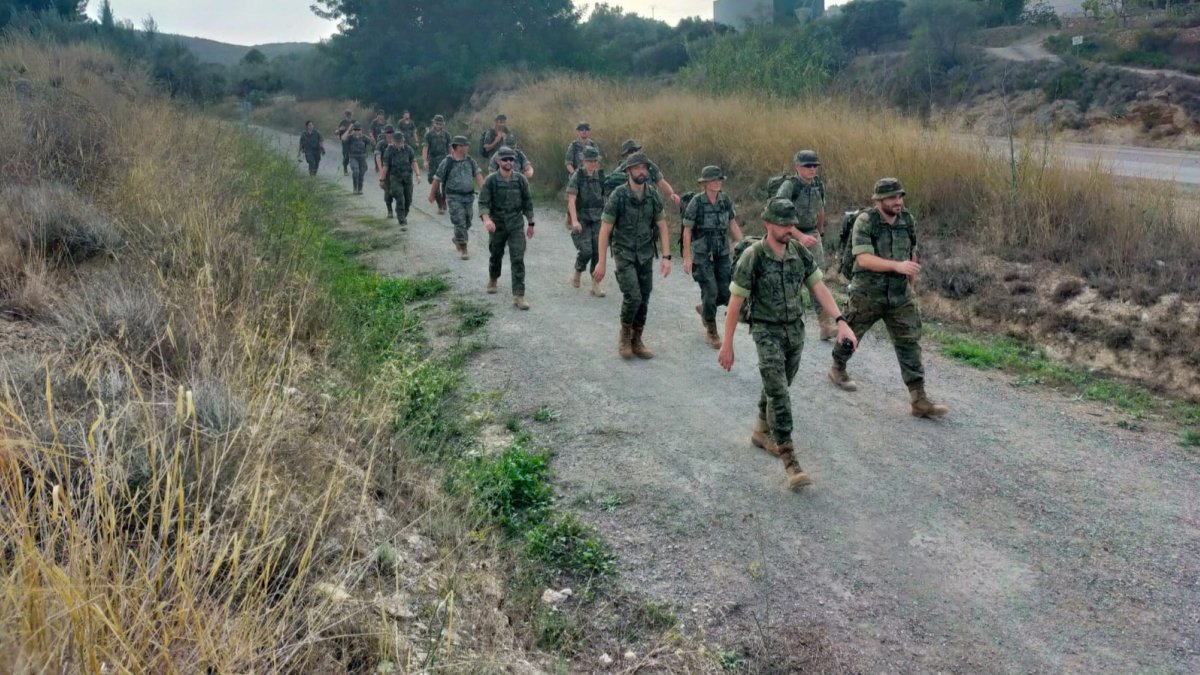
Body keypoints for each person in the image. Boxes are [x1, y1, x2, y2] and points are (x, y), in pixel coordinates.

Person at [718, 199, 857, 489]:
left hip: (795, 331)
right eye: (782, 224)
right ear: (767, 224)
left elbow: (818, 287)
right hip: (766, 332)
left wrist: (841, 321)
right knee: (779, 393)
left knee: (778, 384)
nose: (787, 229)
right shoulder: (753, 257)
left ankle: (760, 429)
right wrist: (727, 344)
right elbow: (735, 303)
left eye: (791, 224)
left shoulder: (798, 252)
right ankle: (790, 461)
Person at [828, 178, 949, 418]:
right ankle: (837, 367)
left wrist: (911, 285)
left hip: (899, 295)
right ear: (879, 200)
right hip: (867, 293)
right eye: (892, 198)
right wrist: (897, 266)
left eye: (900, 196)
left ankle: (919, 398)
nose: (898, 202)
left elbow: (912, 253)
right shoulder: (866, 221)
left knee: (909, 341)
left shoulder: (907, 220)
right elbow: (863, 259)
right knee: (852, 334)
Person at [592, 152, 672, 359]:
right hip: (624, 252)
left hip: (645, 253)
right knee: (633, 296)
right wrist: (601, 262)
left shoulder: (652, 194)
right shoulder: (618, 195)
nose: (641, 172)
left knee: (644, 296)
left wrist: (666, 257)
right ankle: (625, 336)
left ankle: (637, 339)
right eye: (637, 168)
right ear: (628, 171)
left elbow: (663, 226)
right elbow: (605, 230)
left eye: (644, 168)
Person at [774, 149, 835, 341]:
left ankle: (825, 325)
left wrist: (819, 231)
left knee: (817, 279)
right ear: (797, 167)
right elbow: (778, 215)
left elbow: (820, 208)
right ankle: (782, 323)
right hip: (790, 235)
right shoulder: (789, 186)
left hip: (812, 234)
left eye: (815, 165)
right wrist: (799, 236)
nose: (812, 169)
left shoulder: (818, 184)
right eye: (808, 165)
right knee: (788, 279)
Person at [683, 165, 744, 349]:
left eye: (719, 180)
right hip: (702, 254)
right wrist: (687, 257)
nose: (718, 183)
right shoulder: (697, 202)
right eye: (714, 180)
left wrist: (743, 245)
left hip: (722, 252)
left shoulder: (725, 200)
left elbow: (732, 223)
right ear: (705, 183)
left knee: (726, 292)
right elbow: (687, 230)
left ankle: (705, 308)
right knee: (710, 290)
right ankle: (711, 331)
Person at [479, 147, 535, 309]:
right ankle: (493, 278)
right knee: (496, 254)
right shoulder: (491, 180)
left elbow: (527, 202)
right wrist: (487, 220)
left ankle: (519, 295)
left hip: (516, 223)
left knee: (518, 258)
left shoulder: (521, 180)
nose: (509, 162)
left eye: (511, 159)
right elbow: (483, 203)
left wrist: (531, 223)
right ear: (498, 161)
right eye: (505, 159)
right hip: (497, 224)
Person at [430, 135, 484, 260]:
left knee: (468, 221)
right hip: (453, 197)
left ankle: (457, 238)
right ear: (459, 147)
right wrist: (432, 194)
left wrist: (484, 190)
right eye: (465, 145)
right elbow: (437, 179)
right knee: (460, 222)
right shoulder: (447, 162)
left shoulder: (470, 161)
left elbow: (478, 175)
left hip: (469, 196)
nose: (467, 147)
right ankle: (464, 248)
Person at [565, 146, 607, 296]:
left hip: (598, 219)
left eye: (595, 161)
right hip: (582, 218)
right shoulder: (578, 176)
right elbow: (571, 200)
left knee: (598, 251)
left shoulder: (601, 176)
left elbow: (606, 198)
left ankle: (595, 284)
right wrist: (574, 221)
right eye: (590, 161)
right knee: (586, 250)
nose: (593, 164)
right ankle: (578, 270)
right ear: (584, 161)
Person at [604, 139, 682, 206]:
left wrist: (671, 194)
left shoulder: (648, 165)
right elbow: (610, 187)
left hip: (650, 203)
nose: (634, 153)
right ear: (625, 155)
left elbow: (660, 181)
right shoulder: (621, 170)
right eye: (630, 151)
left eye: (636, 150)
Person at [378, 130, 421, 226]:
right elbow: (386, 166)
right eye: (397, 142)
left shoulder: (408, 149)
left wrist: (418, 174)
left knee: (408, 199)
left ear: (403, 140)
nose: (399, 144)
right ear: (393, 141)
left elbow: (413, 162)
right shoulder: (389, 150)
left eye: (401, 142)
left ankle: (403, 214)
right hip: (395, 178)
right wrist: (382, 179)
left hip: (407, 178)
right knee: (400, 198)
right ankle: (401, 219)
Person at [423, 114, 452, 214]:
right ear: (433, 123)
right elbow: (425, 148)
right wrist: (425, 160)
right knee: (434, 182)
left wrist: (452, 159)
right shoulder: (429, 135)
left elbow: (450, 148)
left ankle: (443, 201)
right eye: (437, 123)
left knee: (445, 184)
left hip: (444, 161)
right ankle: (439, 204)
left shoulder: (447, 135)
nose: (438, 125)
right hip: (433, 161)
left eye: (440, 124)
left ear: (443, 124)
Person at [341, 123, 371, 194]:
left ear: (361, 130)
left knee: (361, 173)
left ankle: (360, 189)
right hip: (353, 157)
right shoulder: (350, 137)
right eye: (355, 130)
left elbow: (372, 142)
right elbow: (343, 138)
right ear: (353, 130)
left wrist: (371, 136)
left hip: (362, 157)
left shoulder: (364, 137)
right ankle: (355, 188)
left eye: (358, 130)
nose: (357, 131)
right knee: (356, 171)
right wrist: (348, 130)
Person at [373, 125, 395, 217]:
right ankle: (390, 210)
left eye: (391, 132)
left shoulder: (397, 142)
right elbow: (378, 157)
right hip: (386, 170)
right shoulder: (381, 144)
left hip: (397, 171)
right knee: (387, 192)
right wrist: (381, 170)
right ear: (385, 134)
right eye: (388, 133)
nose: (389, 134)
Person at [333, 109, 353, 176]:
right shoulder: (342, 122)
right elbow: (336, 132)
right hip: (345, 142)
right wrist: (340, 129)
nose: (348, 116)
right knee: (346, 155)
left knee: (356, 154)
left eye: (349, 115)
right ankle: (345, 169)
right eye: (347, 115)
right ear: (345, 115)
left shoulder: (353, 122)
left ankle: (356, 168)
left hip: (353, 141)